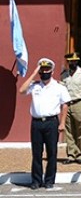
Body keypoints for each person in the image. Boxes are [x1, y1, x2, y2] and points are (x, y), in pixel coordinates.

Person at [19, 58, 70, 189]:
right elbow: (22, 90)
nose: (44, 72)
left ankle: (49, 180)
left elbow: (65, 105)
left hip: (51, 122)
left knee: (52, 153)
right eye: (42, 70)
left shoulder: (59, 87)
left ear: (52, 71)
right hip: (36, 123)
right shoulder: (34, 85)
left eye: (47, 70)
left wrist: (62, 123)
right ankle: (36, 180)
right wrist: (34, 73)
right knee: (36, 153)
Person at [60, 52, 81, 165]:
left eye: (74, 61)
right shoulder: (64, 75)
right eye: (70, 61)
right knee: (69, 130)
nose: (72, 63)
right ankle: (71, 154)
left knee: (80, 129)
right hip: (67, 104)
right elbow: (61, 90)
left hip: (79, 102)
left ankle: (80, 154)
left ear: (77, 61)